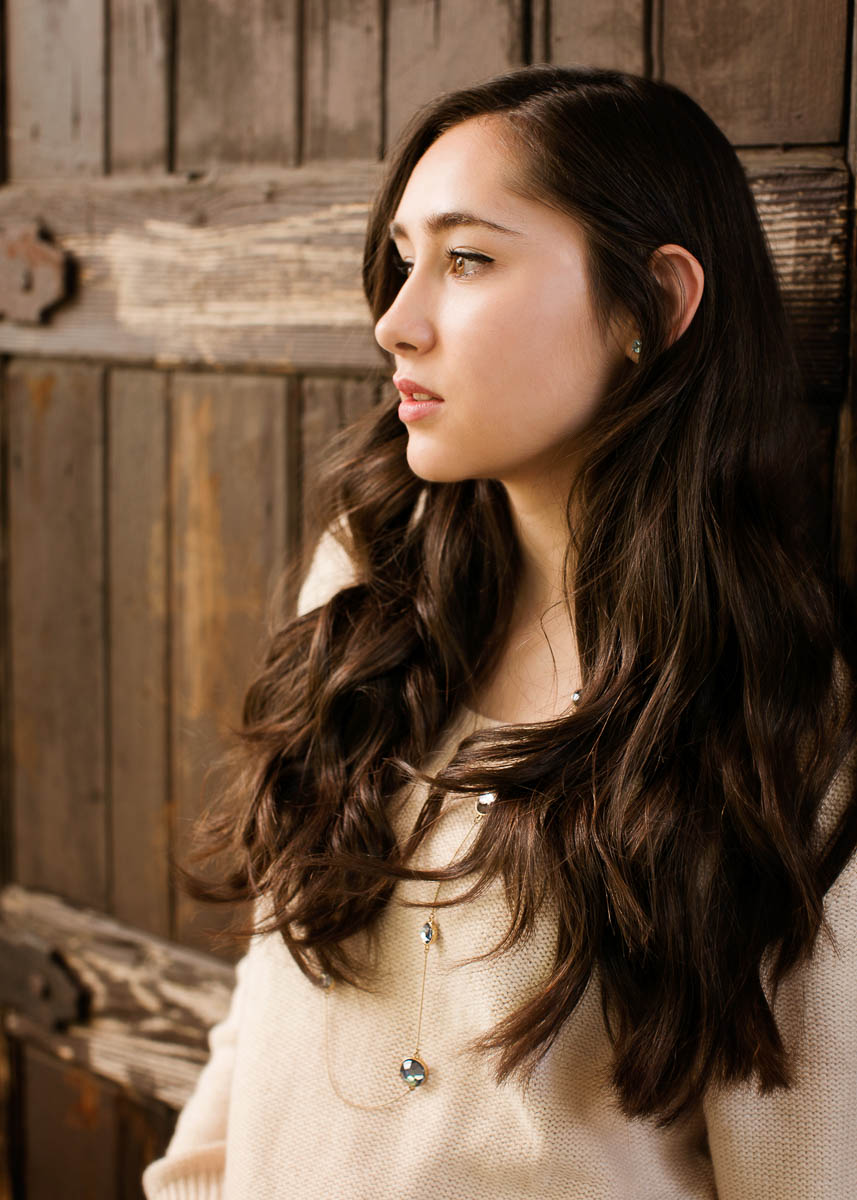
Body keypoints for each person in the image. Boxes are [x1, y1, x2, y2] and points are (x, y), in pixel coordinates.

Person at [142, 64, 857, 1199]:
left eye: (467, 258)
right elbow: (271, 1006)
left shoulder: (784, 717)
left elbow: (803, 1172)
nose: (395, 320)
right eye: (402, 257)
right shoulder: (366, 594)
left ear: (652, 307)